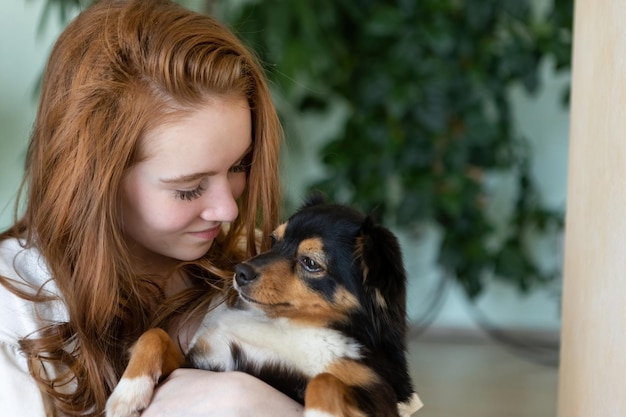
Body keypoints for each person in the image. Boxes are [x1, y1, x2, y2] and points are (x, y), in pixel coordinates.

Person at [0, 0, 301, 415]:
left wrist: (259, 403)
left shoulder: (262, 266)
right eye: (189, 188)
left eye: (238, 166)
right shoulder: (12, 314)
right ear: (94, 181)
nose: (228, 210)